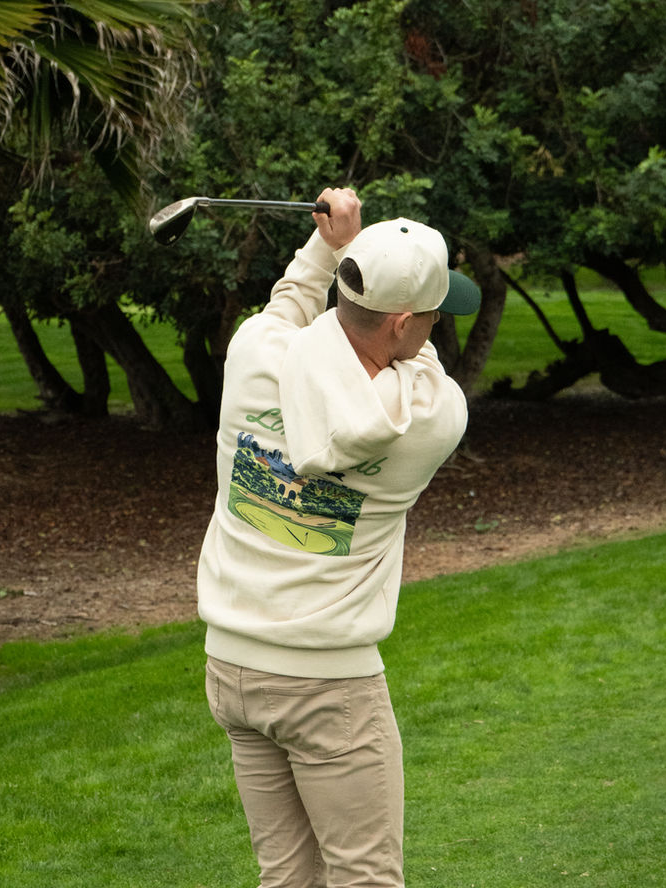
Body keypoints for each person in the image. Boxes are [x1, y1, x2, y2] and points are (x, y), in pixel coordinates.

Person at [197, 186, 481, 888]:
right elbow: (405, 367)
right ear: (406, 322)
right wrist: (357, 258)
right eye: (433, 316)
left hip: (232, 668)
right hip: (327, 681)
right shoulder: (429, 420)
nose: (439, 328)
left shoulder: (255, 352)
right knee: (364, 879)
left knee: (287, 877)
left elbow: (292, 307)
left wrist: (334, 249)